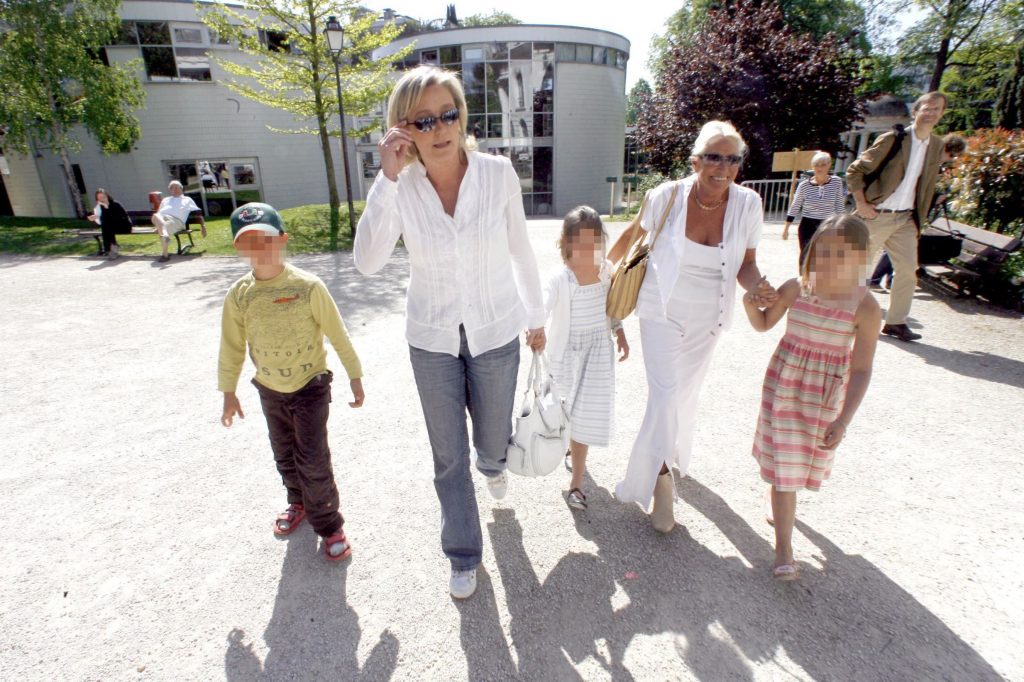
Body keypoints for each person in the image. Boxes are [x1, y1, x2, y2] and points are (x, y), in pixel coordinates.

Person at [353, 66, 545, 599]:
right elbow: (367, 262)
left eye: (449, 114)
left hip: (496, 329)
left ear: (462, 116)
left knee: (490, 442)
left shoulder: (498, 173)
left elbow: (520, 248)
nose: (440, 128)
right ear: (403, 129)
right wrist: (385, 178)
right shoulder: (401, 187)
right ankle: (462, 552)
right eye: (424, 119)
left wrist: (538, 315)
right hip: (432, 339)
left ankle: (495, 462)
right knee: (447, 456)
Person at [611, 120, 778, 533]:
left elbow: (746, 264)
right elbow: (633, 238)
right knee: (665, 395)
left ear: (739, 165)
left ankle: (666, 460)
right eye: (713, 157)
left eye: (732, 159)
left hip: (710, 315)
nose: (722, 167)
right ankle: (661, 482)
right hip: (661, 309)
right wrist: (599, 284)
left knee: (683, 395)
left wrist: (758, 286)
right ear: (695, 160)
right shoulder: (665, 196)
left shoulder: (749, 205)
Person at [218, 202, 365, 562]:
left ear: (282, 239)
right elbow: (232, 345)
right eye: (248, 241)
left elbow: (338, 334)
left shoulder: (307, 286)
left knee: (313, 459)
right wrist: (228, 392)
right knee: (284, 454)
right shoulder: (240, 294)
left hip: (310, 386)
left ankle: (330, 525)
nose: (259, 249)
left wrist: (355, 375)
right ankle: (296, 502)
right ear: (239, 248)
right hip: (269, 389)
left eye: (265, 239)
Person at [743, 214, 880, 581]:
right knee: (786, 469)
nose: (828, 262)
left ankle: (778, 499)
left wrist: (844, 420)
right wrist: (749, 302)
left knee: (797, 465)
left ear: (860, 258)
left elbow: (863, 369)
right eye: (823, 252)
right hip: (783, 388)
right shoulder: (795, 288)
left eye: (841, 255)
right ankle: (784, 549)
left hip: (823, 398)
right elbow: (762, 324)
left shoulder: (865, 308)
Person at [543, 206, 629, 511]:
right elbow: (543, 302)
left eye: (593, 242)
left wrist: (619, 331)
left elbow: (612, 308)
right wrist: (534, 327)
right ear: (566, 242)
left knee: (584, 418)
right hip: (566, 355)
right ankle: (570, 448)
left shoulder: (606, 271)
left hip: (596, 355)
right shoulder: (560, 277)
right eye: (579, 242)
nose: (586, 249)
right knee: (563, 414)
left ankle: (576, 485)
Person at [844, 91, 947, 342]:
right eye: (927, 108)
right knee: (859, 270)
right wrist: (862, 203)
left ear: (942, 114)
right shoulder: (894, 139)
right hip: (878, 213)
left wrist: (921, 216)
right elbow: (855, 170)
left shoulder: (936, 146)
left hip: (906, 218)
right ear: (916, 111)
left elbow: (926, 183)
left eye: (937, 109)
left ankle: (895, 322)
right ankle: (847, 317)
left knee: (907, 270)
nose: (931, 113)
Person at [867, 133, 967, 289]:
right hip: (904, 211)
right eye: (951, 154)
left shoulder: (935, 165)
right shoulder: (926, 161)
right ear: (946, 149)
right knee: (895, 247)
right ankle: (876, 279)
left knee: (902, 248)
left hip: (913, 213)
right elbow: (916, 190)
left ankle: (886, 279)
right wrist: (936, 198)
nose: (951, 159)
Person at [781, 151, 847, 264]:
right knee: (806, 255)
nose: (819, 168)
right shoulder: (804, 185)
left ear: (829, 165)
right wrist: (786, 228)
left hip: (827, 224)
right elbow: (795, 206)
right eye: (816, 165)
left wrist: (843, 225)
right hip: (808, 224)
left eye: (823, 164)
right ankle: (804, 279)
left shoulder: (836, 182)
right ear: (812, 167)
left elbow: (839, 205)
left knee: (825, 256)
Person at [151, 180, 207, 263]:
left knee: (161, 227)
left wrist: (203, 226)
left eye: (177, 187)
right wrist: (160, 223)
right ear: (170, 190)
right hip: (162, 219)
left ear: (181, 189)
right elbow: (159, 213)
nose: (175, 189)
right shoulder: (165, 200)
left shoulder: (187, 199)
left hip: (176, 221)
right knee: (156, 215)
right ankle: (165, 248)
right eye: (172, 188)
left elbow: (198, 213)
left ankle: (165, 252)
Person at [86, 188, 132, 259]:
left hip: (124, 226)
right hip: (110, 228)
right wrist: (95, 217)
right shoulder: (99, 207)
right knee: (106, 226)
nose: (102, 199)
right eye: (100, 198)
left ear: (107, 196)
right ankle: (112, 248)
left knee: (106, 226)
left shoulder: (115, 204)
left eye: (103, 197)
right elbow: (101, 222)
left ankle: (110, 249)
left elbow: (121, 217)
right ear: (97, 199)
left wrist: (107, 208)